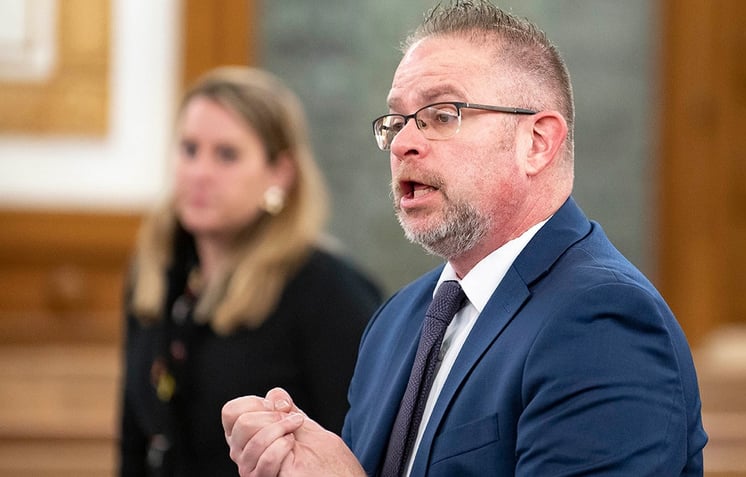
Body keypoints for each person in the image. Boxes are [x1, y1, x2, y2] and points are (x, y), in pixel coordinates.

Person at [222, 1, 708, 476]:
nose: (404, 143)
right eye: (397, 121)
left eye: (442, 114)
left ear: (536, 143)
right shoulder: (395, 323)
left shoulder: (603, 321)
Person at [119, 66, 383, 476]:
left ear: (280, 173)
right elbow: (134, 438)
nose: (200, 173)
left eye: (227, 155)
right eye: (189, 149)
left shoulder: (329, 290)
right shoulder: (155, 273)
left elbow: (360, 450)